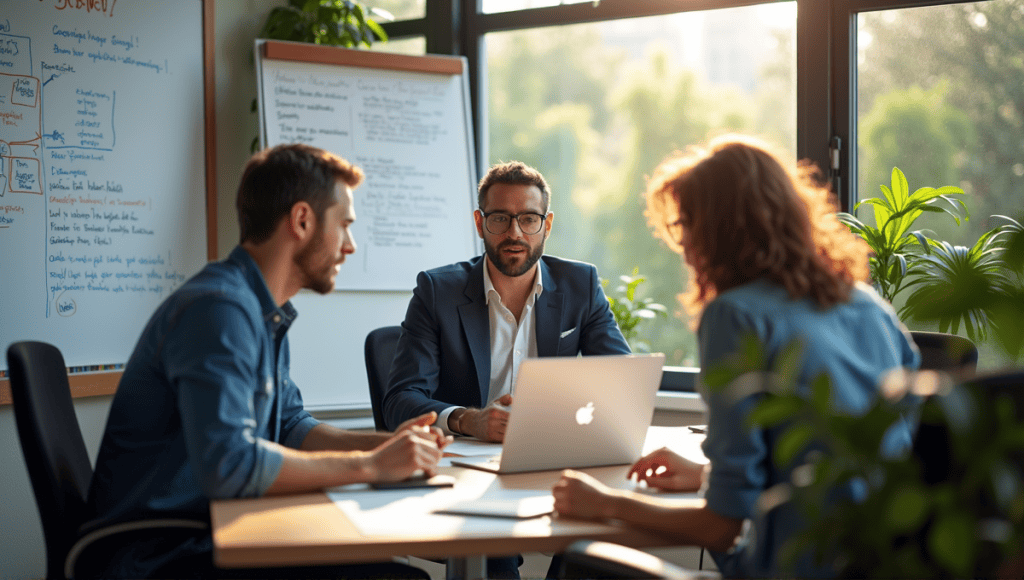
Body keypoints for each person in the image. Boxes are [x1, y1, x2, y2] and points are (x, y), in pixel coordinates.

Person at [551, 135, 920, 578]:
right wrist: (708, 476)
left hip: (792, 565)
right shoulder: (866, 304)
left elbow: (721, 529)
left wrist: (607, 503)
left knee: (581, 563)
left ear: (721, 229)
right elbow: (842, 464)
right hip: (886, 562)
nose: (683, 243)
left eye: (686, 223)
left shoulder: (735, 316)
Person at [84, 144, 449, 579]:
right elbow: (230, 465)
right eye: (345, 225)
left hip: (206, 535)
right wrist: (370, 466)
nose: (350, 245)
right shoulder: (219, 309)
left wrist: (387, 447)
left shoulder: (259, 310)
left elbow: (292, 427)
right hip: (160, 557)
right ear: (301, 221)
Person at [382, 161, 631, 442]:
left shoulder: (580, 285)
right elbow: (399, 402)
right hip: (464, 457)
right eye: (500, 218)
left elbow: (622, 381)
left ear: (546, 225)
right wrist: (468, 420)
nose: (514, 233)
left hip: (550, 448)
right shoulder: (437, 291)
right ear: (480, 223)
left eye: (528, 219)